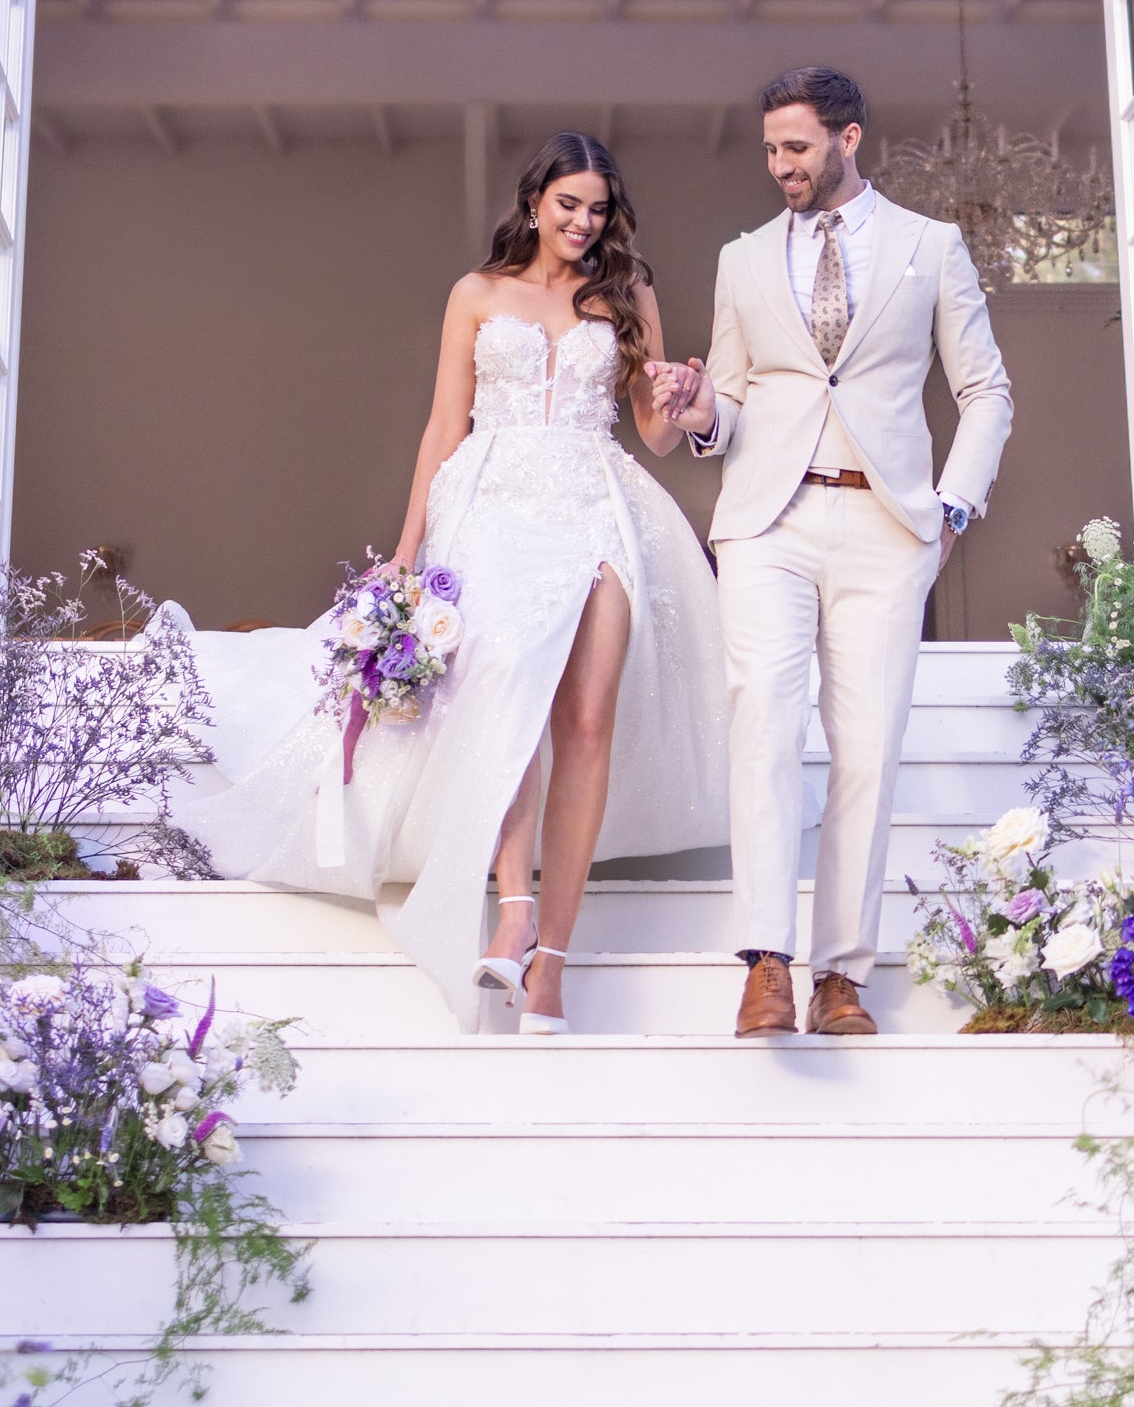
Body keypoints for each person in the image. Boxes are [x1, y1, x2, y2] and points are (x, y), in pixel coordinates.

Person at [175, 132, 727, 1034]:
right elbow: (442, 426)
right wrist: (405, 553)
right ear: (535, 199)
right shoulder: (476, 293)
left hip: (598, 502)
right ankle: (511, 911)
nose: (583, 224)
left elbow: (653, 436)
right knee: (507, 685)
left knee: (587, 722)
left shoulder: (628, 291)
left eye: (597, 209)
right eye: (568, 206)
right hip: (493, 504)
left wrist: (680, 401)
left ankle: (550, 962)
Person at [649, 66, 1012, 1039]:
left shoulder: (930, 248)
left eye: (798, 147)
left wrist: (952, 510)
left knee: (866, 748)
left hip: (886, 529)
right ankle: (766, 959)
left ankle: (839, 975)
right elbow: (727, 403)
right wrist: (696, 412)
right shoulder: (744, 259)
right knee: (763, 720)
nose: (781, 166)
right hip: (766, 523)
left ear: (850, 139)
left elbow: (987, 392)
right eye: (770, 148)